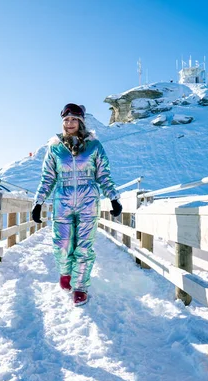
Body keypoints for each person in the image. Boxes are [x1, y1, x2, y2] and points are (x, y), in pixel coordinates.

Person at [31, 103, 123, 306]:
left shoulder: (94, 146)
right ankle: (65, 271)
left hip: (88, 200)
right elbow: (48, 177)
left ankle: (80, 286)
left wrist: (114, 197)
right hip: (62, 200)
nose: (69, 123)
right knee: (62, 244)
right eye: (66, 120)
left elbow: (103, 175)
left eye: (74, 119)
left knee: (84, 247)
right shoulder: (55, 148)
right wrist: (38, 202)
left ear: (81, 122)